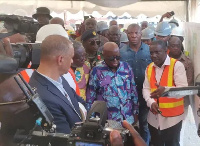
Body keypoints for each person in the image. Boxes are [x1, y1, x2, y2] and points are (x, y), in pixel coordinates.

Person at [29, 35, 85, 134]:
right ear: (60, 59)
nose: (72, 61)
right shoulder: (44, 97)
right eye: (71, 57)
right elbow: (64, 138)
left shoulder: (60, 79)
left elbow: (79, 101)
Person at [143, 40, 188, 146]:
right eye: (151, 53)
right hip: (153, 119)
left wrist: (166, 90)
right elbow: (146, 89)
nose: (153, 55)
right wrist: (150, 102)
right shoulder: (149, 67)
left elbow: (184, 90)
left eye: (157, 52)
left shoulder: (177, 66)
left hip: (172, 119)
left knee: (172, 144)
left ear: (166, 51)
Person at [86, 42, 138, 125]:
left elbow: (133, 91)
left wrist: (135, 112)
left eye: (117, 57)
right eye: (111, 58)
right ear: (104, 56)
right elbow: (90, 98)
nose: (115, 60)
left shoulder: (126, 68)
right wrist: (91, 120)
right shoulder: (97, 71)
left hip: (127, 118)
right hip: (108, 121)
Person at [120, 24, 151, 145]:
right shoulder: (121, 52)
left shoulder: (149, 51)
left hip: (145, 95)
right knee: (127, 126)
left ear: (141, 34)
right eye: (131, 33)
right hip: (127, 97)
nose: (133, 36)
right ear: (127, 34)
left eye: (136, 33)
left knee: (145, 125)